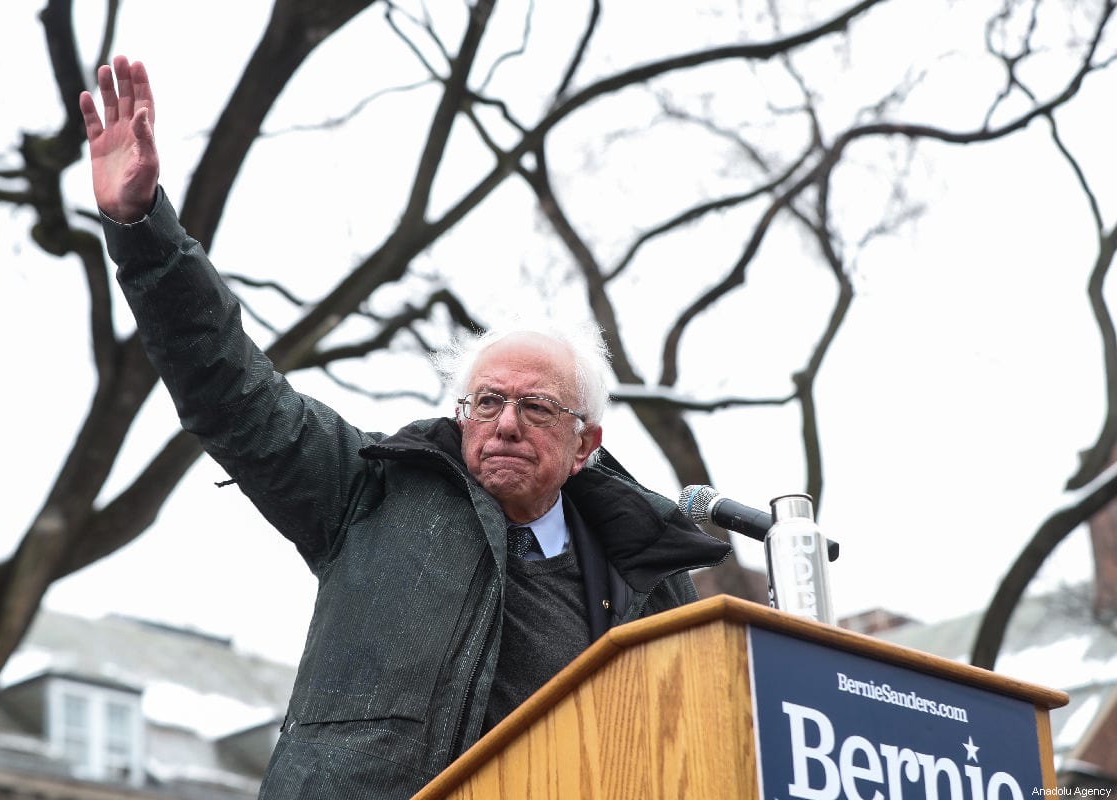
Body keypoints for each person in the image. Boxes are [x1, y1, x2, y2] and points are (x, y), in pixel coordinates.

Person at [80, 56, 732, 800]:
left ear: (587, 444)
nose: (507, 423)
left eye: (538, 407)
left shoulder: (649, 578)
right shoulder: (368, 493)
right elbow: (229, 387)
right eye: (487, 403)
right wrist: (143, 231)